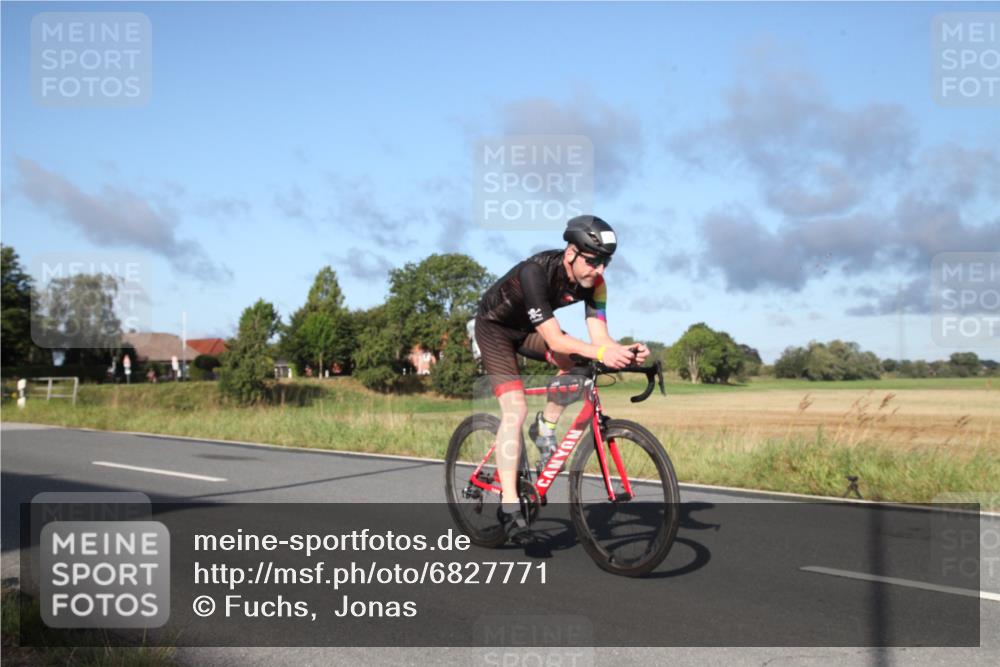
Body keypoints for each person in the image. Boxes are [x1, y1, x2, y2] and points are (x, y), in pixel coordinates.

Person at [474, 215, 649, 537]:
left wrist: (624, 351)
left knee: (580, 363)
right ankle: (509, 502)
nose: (600, 271)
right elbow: (555, 340)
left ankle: (545, 427)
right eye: (594, 261)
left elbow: (600, 340)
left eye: (606, 263)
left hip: (528, 330)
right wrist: (599, 353)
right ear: (571, 252)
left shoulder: (595, 283)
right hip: (495, 328)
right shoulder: (535, 272)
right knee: (515, 409)